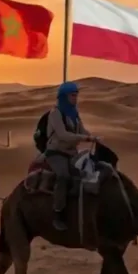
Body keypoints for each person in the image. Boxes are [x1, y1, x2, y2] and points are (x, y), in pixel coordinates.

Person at [37, 81, 99, 231]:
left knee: (86, 175)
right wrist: (84, 138)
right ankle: (57, 213)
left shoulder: (74, 114)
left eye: (76, 95)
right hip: (56, 153)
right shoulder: (55, 114)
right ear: (64, 96)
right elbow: (63, 135)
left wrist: (93, 137)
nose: (75, 98)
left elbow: (82, 130)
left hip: (71, 153)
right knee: (63, 176)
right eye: (72, 95)